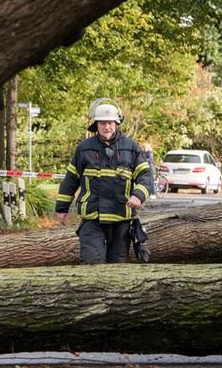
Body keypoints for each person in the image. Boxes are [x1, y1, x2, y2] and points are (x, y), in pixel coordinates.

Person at [55, 100, 152, 264]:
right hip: (93, 217)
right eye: (102, 123)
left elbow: (145, 176)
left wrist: (138, 195)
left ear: (117, 123)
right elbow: (71, 179)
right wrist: (62, 208)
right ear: (96, 124)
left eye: (110, 123)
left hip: (121, 218)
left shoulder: (131, 147)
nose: (106, 127)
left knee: (117, 268)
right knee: (92, 263)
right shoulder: (84, 148)